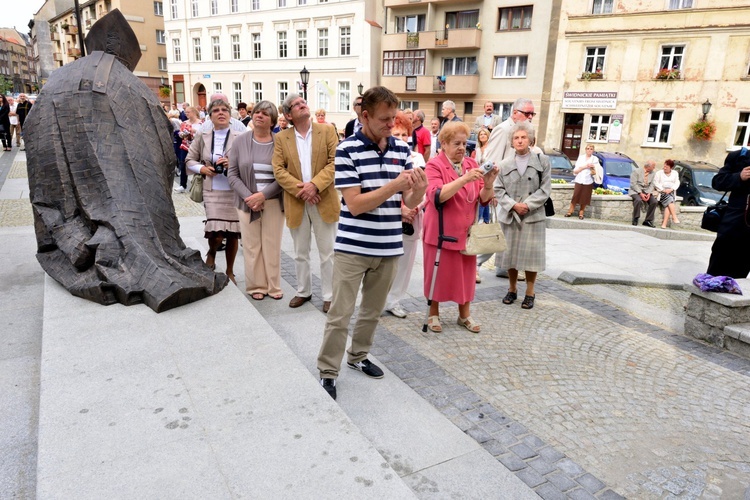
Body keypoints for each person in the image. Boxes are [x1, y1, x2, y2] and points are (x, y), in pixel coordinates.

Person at [317, 86, 428, 400]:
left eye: (394, 118)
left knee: (372, 312)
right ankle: (328, 370)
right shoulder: (346, 150)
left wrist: (417, 191)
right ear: (364, 115)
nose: (390, 125)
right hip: (353, 248)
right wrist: (395, 185)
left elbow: (409, 198)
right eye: (384, 118)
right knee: (340, 313)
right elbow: (355, 204)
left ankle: (359, 355)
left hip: (389, 247)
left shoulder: (402, 149)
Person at [422, 121, 497, 333]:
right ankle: (433, 313)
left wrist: (489, 183)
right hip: (440, 232)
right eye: (457, 143)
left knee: (465, 276)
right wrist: (463, 179)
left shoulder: (472, 165)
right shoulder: (434, 165)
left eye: (465, 143)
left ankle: (464, 315)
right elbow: (437, 196)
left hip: (466, 232)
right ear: (444, 144)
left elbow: (483, 199)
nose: (462, 148)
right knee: (436, 274)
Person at [272, 93, 339, 313]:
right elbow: (279, 170)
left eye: (303, 102)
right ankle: (303, 291)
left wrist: (315, 186)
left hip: (323, 199)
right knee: (300, 252)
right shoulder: (282, 138)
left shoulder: (327, 130)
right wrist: (303, 191)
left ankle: (329, 295)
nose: (303, 105)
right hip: (297, 201)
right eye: (296, 104)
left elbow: (334, 162)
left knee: (327, 252)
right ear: (288, 115)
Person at [228, 100, 285, 300]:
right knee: (252, 246)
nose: (259, 115)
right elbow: (232, 174)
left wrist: (263, 195)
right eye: (257, 112)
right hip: (246, 203)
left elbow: (285, 175)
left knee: (272, 244)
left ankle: (274, 286)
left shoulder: (281, 142)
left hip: (273, 202)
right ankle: (256, 287)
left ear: (272, 121)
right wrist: (250, 197)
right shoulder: (240, 141)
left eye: (265, 114)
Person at [186, 97, 243, 283]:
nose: (221, 113)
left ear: (230, 115)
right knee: (217, 233)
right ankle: (212, 252)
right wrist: (201, 169)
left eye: (224, 110)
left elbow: (247, 162)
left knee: (233, 233)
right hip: (212, 190)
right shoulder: (203, 136)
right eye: (216, 110)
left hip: (233, 190)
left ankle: (230, 271)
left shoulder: (240, 137)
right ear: (210, 116)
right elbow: (189, 160)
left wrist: (233, 163)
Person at [494, 122, 551, 310]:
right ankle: (511, 289)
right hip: (510, 216)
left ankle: (530, 291)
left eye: (523, 137)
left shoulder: (542, 162)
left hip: (533, 216)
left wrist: (527, 205)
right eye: (516, 138)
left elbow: (545, 190)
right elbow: (498, 189)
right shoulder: (503, 165)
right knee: (510, 256)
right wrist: (513, 205)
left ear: (531, 140)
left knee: (531, 257)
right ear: (511, 141)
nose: (519, 140)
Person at [484, 97, 536, 278]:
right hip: (501, 191)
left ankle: (504, 267)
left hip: (516, 193)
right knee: (498, 233)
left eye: (532, 113)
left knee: (510, 233)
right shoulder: (503, 129)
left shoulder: (522, 132)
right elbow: (490, 160)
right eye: (526, 113)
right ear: (515, 113)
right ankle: (474, 264)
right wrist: (492, 188)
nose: (530, 117)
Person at [385, 111, 426, 319]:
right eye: (396, 134)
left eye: (404, 134)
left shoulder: (417, 158)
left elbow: (424, 189)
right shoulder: (385, 156)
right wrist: (401, 209)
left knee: (406, 261)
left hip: (412, 216)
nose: (401, 138)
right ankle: (380, 299)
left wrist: (413, 209)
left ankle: (395, 300)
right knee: (386, 261)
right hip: (391, 214)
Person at [706, 147, 750, 278]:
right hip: (732, 224)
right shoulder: (738, 157)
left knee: (740, 275)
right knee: (717, 268)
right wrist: (739, 177)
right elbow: (717, 182)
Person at [565, 144, 601, 220]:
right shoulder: (581, 158)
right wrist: (584, 167)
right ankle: (570, 211)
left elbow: (596, 171)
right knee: (576, 196)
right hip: (579, 179)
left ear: (593, 150)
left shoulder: (595, 159)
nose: (589, 150)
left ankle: (581, 213)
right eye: (588, 148)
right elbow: (576, 170)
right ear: (585, 149)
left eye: (591, 149)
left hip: (588, 180)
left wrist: (592, 168)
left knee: (584, 198)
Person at [174, 106, 203, 193]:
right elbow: (180, 133)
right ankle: (183, 185)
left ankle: (198, 184)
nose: (186, 114)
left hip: (197, 147)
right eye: (185, 112)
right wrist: (182, 134)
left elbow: (204, 134)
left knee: (198, 165)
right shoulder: (184, 123)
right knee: (183, 165)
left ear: (194, 112)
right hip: (185, 146)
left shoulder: (201, 123)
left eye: (188, 112)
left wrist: (194, 131)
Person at [471, 127, 493, 226]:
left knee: (485, 197)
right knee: (480, 198)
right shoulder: (476, 150)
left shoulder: (492, 149)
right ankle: (481, 220)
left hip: (488, 176)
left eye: (484, 134)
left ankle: (485, 221)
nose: (482, 136)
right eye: (481, 134)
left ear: (488, 136)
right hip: (478, 176)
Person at [630, 159, 658, 227]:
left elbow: (652, 184)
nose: (654, 168)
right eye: (653, 166)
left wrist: (649, 193)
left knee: (654, 202)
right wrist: (640, 193)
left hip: (646, 191)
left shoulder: (653, 173)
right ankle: (635, 218)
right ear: (648, 166)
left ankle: (648, 220)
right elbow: (633, 184)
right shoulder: (636, 171)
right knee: (638, 200)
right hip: (636, 190)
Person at [654, 159, 680, 229]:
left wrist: (671, 189)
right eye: (664, 166)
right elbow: (656, 183)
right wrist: (663, 190)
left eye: (667, 167)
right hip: (662, 191)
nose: (664, 168)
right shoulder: (659, 173)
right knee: (670, 200)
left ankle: (664, 224)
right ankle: (674, 217)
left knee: (669, 204)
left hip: (671, 191)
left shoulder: (675, 173)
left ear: (671, 168)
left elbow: (677, 182)